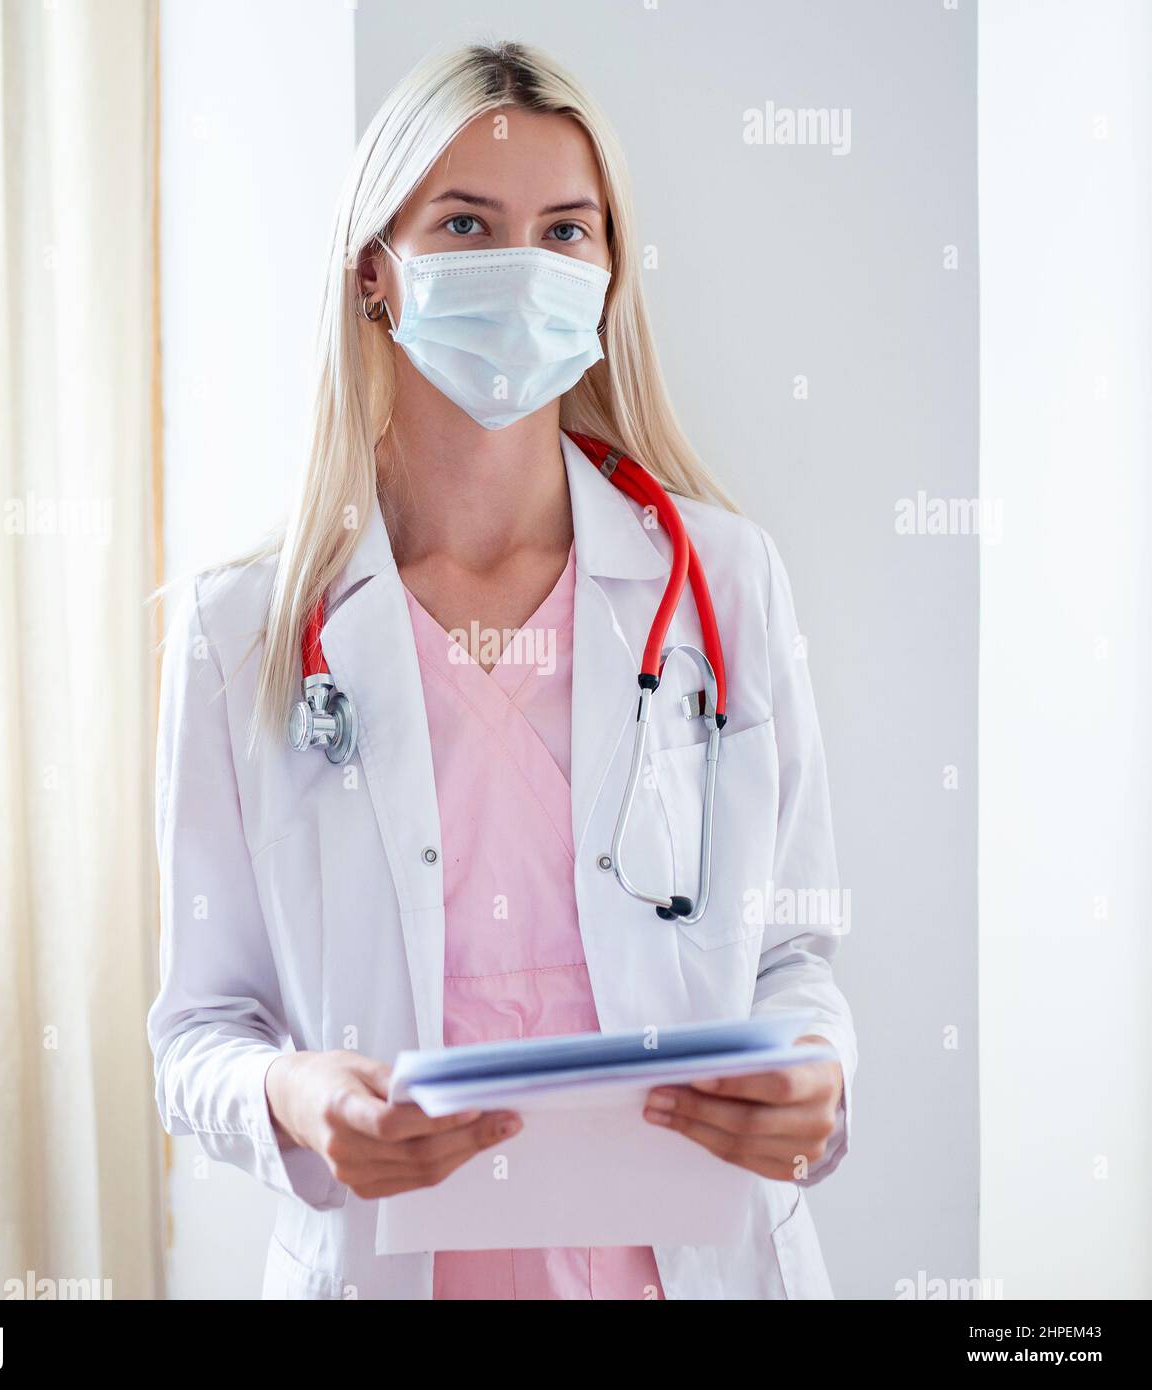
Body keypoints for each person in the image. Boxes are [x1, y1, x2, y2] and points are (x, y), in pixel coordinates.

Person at [148, 39, 855, 1301]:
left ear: (607, 273)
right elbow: (198, 1032)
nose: (523, 270)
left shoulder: (725, 584)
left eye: (565, 232)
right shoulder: (242, 631)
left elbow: (792, 949)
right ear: (377, 274)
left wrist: (815, 1067)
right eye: (467, 225)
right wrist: (293, 1095)